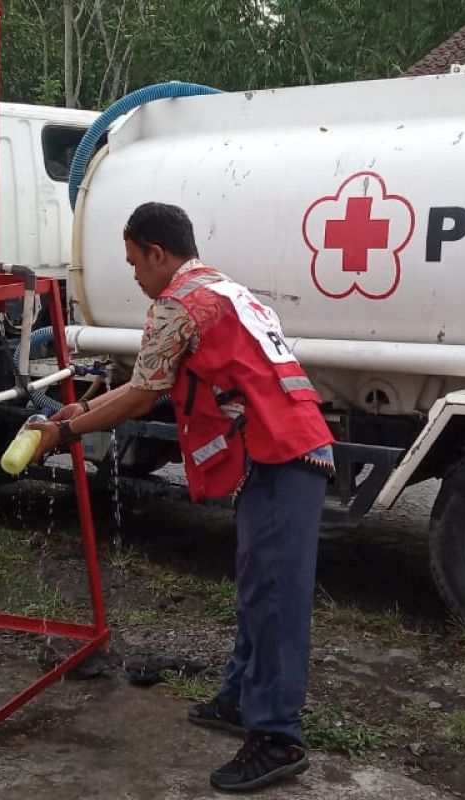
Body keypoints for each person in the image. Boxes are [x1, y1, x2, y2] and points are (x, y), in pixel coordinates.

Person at [28, 201, 335, 793]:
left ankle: (277, 737)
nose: (135, 277)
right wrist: (80, 409)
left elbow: (144, 395)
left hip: (281, 451)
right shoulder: (222, 289)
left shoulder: (176, 304)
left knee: (275, 596)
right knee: (256, 584)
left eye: (134, 262)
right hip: (284, 445)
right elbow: (150, 386)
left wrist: (64, 431)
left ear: (158, 254)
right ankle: (240, 699)